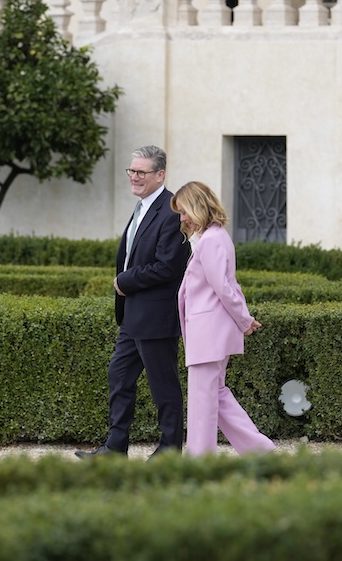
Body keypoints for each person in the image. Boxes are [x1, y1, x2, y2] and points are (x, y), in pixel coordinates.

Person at [75, 145, 190, 459]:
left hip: (156, 318)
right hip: (132, 317)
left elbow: (169, 266)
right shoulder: (142, 207)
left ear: (160, 175)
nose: (134, 177)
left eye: (141, 172)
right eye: (132, 171)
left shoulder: (171, 211)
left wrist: (124, 281)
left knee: (164, 388)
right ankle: (115, 448)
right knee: (120, 377)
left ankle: (169, 451)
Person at [171, 181, 276, 456]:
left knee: (202, 401)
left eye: (184, 211)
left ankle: (199, 461)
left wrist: (244, 319)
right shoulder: (215, 237)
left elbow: (224, 287)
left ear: (198, 206)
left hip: (208, 333)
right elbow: (230, 285)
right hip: (212, 331)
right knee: (216, 395)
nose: (182, 219)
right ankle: (261, 451)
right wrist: (244, 318)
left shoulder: (211, 241)